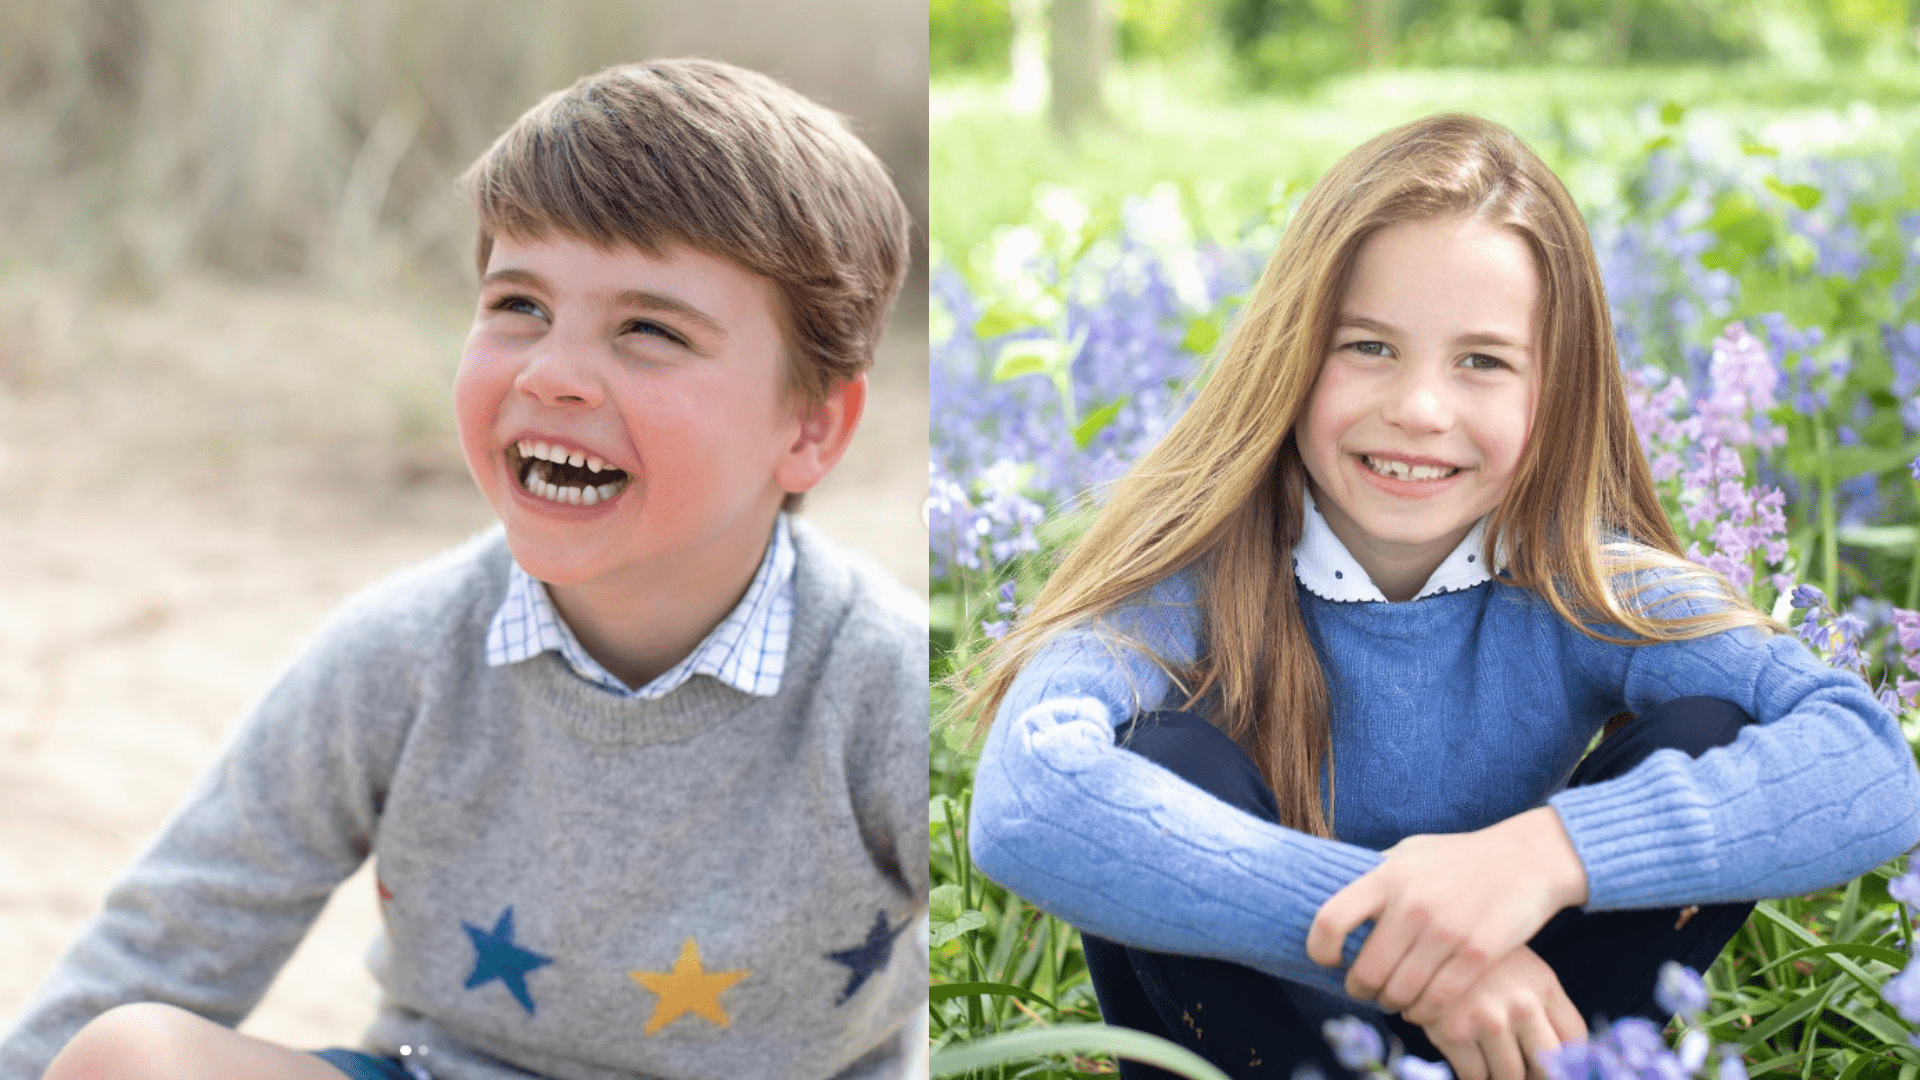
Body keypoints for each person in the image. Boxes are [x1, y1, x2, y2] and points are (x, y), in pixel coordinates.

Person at [0, 59, 927, 1080]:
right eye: (519, 306)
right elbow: (175, 934)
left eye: (649, 330)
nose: (552, 373)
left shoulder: (884, 685)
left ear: (812, 426)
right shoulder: (402, 653)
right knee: (128, 1055)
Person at [957, 114, 1920, 1080]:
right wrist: (1412, 946)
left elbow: (1873, 764)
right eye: (1369, 347)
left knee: (1713, 725)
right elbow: (1024, 800)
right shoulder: (1191, 580)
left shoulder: (1585, 583)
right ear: (1290, 356)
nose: (1420, 408)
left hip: (1510, 1051)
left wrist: (1542, 857)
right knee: (1162, 761)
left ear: (1557, 389)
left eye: (1483, 361)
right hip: (1257, 1048)